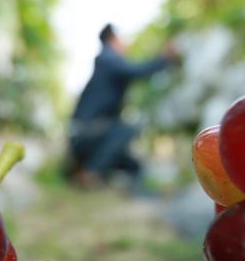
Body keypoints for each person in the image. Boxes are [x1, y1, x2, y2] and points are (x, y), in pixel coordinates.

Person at [68, 24, 177, 187]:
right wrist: (164, 58)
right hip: (86, 134)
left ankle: (86, 169)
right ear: (113, 38)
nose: (125, 44)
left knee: (134, 166)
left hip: (92, 134)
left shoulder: (106, 61)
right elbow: (138, 71)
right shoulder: (107, 58)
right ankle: (89, 172)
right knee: (128, 129)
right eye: (121, 39)